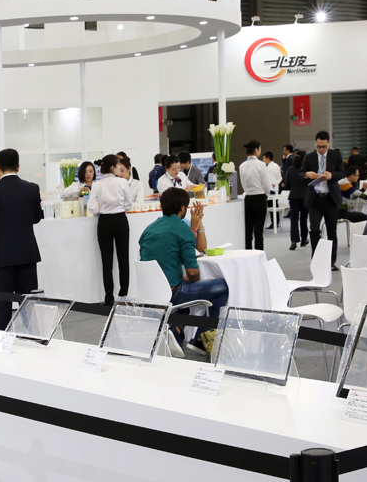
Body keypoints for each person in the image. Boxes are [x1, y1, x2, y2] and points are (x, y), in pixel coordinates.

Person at [138, 188, 228, 352]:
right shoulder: (182, 229)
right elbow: (193, 273)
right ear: (182, 208)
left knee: (185, 288)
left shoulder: (149, 229)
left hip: (150, 291)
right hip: (173, 291)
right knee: (222, 287)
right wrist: (192, 277)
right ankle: (201, 337)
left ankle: (177, 331)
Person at [0, 148, 44, 330]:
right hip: (26, 255)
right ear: (18, 167)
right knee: (28, 305)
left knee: (1, 307)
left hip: (0, 257)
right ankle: (30, 339)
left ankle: (2, 341)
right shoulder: (32, 188)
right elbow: (37, 218)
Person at [88, 155, 135, 305]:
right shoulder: (122, 182)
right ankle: (123, 295)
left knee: (106, 261)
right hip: (120, 219)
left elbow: (91, 206)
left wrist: (100, 212)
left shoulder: (97, 184)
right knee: (123, 259)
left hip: (104, 221)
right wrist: (120, 209)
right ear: (113, 167)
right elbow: (129, 203)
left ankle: (109, 297)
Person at [303, 131, 344, 269]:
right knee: (314, 230)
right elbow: (300, 173)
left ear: (329, 144)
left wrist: (332, 175)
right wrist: (307, 174)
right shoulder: (309, 157)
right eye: (319, 146)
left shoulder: (335, 155)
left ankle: (331, 261)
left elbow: (342, 172)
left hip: (330, 199)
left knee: (332, 231)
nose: (321, 149)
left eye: (324, 147)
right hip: (315, 199)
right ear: (315, 143)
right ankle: (316, 259)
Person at [236, 141, 268, 251]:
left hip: (248, 198)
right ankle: (259, 254)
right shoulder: (261, 164)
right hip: (260, 198)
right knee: (259, 231)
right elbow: (266, 184)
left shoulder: (242, 166)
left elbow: (242, 182)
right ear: (256, 150)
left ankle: (248, 253)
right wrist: (266, 194)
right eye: (260, 149)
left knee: (248, 230)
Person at [285, 151, 309, 250]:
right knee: (304, 219)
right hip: (305, 196)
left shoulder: (290, 169)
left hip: (293, 196)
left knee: (294, 219)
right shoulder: (306, 171)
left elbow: (287, 185)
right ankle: (304, 239)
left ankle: (294, 241)